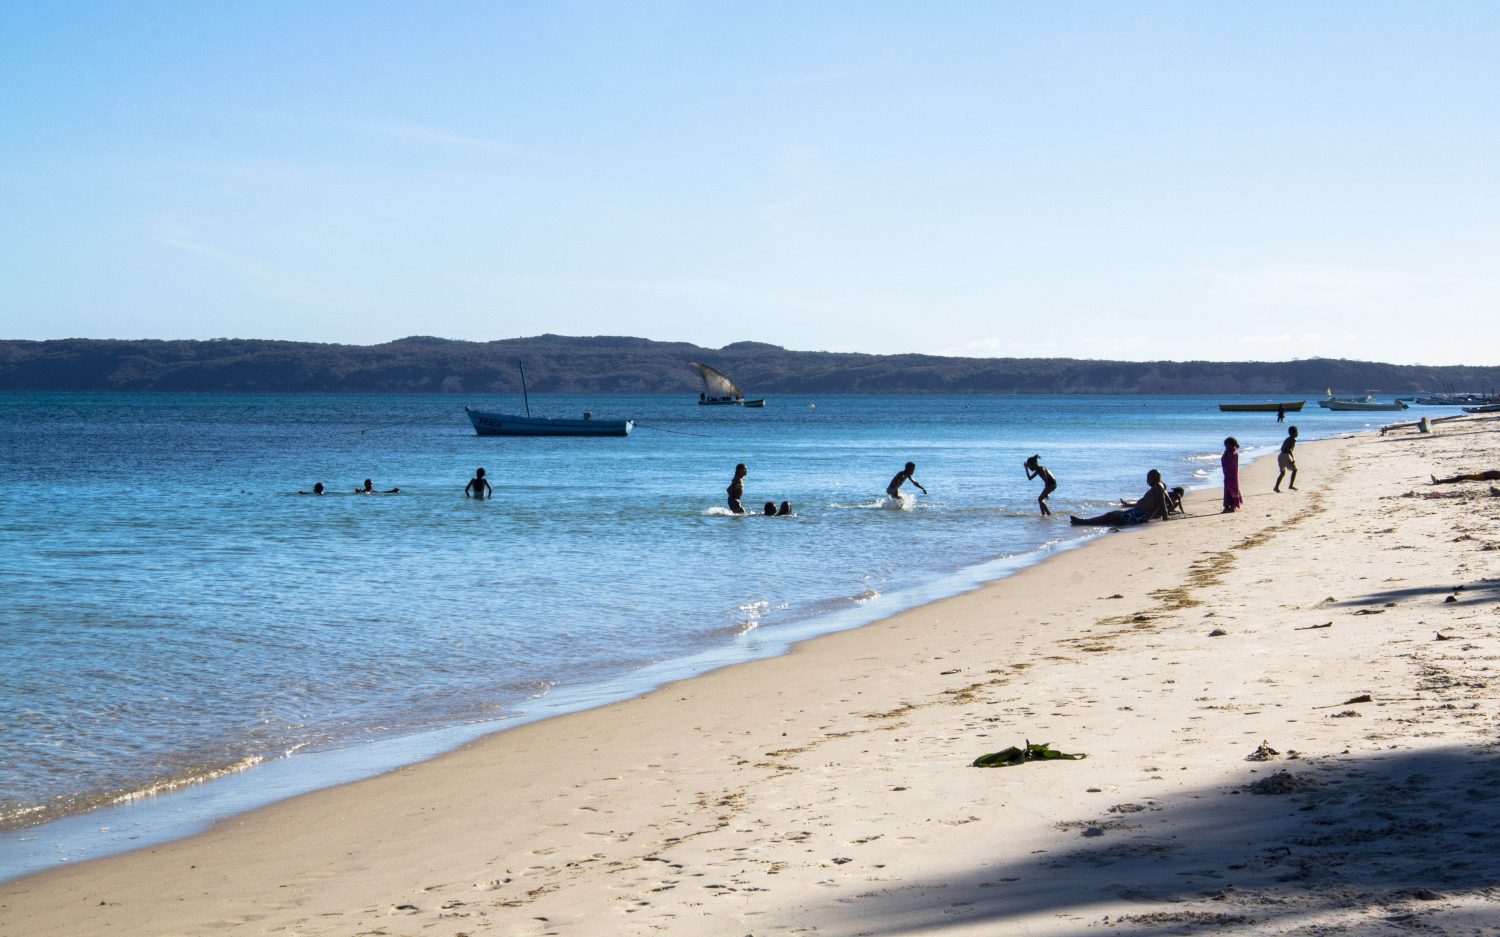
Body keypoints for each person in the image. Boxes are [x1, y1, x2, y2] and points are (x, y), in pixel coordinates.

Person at [1070, 469, 1172, 527]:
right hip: (1137, 513)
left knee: (1110, 517)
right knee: (1112, 516)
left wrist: (1165, 518)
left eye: (1148, 479)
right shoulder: (1160, 486)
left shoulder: (1158, 487)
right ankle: (1085, 522)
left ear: (1154, 478)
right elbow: (1168, 503)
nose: (1147, 481)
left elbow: (1162, 503)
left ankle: (1083, 522)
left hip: (1138, 516)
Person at [1221, 437, 1243, 513]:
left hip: (1231, 475)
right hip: (1228, 474)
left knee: (1230, 490)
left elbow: (1230, 463)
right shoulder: (1231, 452)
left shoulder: (1233, 453)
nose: (1225, 447)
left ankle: (1230, 506)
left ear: (1231, 444)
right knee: (1229, 490)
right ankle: (1230, 506)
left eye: (1226, 445)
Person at [1273, 426, 1298, 492]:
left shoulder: (1287, 439)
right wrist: (1293, 458)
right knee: (1295, 470)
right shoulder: (1293, 439)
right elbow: (1290, 450)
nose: (1297, 434)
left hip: (1280, 456)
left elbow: (1282, 448)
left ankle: (1276, 487)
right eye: (1297, 432)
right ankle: (1291, 485)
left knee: (1282, 473)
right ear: (1294, 433)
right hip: (1285, 456)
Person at [1431, 469, 1500, 484]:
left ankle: (1438, 482)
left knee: (1461, 477)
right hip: (1482, 476)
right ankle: (1439, 481)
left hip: (1482, 476)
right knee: (1461, 477)